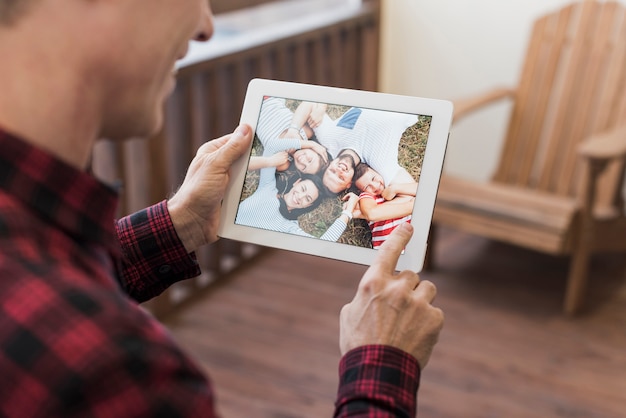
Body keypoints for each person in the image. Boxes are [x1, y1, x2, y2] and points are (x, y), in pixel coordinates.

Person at [0, 1, 444, 417]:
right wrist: (381, 364)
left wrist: (175, 227)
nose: (206, 26)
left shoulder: (39, 260)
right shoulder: (116, 369)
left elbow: (65, 273)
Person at [352, 162, 418, 248]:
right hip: (389, 247)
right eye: (367, 187)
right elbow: (371, 212)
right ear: (361, 191)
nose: (375, 186)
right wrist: (406, 201)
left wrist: (394, 189)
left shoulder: (394, 184)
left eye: (374, 178)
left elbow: (422, 191)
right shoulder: (367, 196)